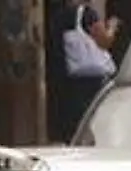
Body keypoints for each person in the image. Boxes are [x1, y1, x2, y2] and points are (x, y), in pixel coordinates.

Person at [48, 0, 119, 142]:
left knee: (74, 122)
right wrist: (112, 27)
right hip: (91, 79)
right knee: (93, 118)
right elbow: (104, 42)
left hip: (69, 79)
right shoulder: (87, 14)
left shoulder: (58, 17)